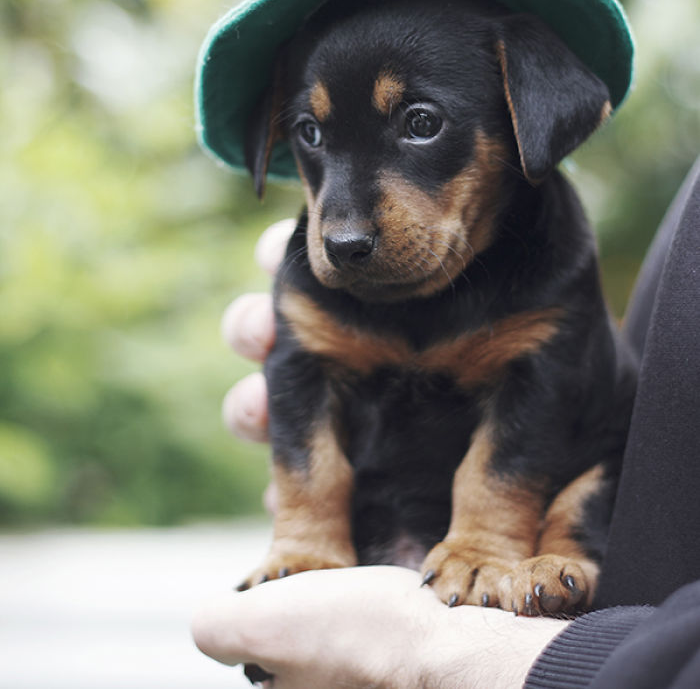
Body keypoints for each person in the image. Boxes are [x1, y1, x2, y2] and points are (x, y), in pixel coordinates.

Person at [192, 157, 700, 689]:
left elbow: (600, 429)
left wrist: (442, 646)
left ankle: (564, 550)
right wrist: (307, 533)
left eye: (421, 122)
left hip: (539, 594)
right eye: (311, 133)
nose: (344, 225)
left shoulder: (541, 263)